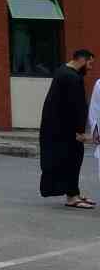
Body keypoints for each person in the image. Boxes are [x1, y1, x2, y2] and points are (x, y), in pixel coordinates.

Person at [39, 48, 95, 208]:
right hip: (65, 130)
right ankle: (72, 197)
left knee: (72, 160)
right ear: (82, 60)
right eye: (90, 63)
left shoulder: (62, 71)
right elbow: (76, 107)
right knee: (72, 160)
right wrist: (80, 131)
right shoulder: (71, 77)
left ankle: (74, 192)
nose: (90, 68)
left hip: (58, 127)